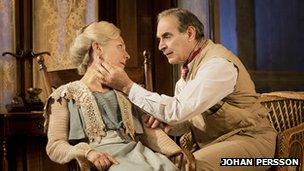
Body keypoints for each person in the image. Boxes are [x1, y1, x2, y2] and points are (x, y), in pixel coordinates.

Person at [98, 8, 277, 171]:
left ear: (190, 33)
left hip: (253, 143)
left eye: (167, 36)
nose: (161, 46)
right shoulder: (187, 73)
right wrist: (165, 123)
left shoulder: (218, 65)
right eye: (159, 39)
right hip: (217, 143)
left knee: (190, 167)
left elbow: (177, 110)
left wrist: (127, 87)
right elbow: (186, 120)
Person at [44, 21, 180, 171]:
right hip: (105, 161)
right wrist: (87, 152)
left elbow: (151, 133)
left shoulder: (126, 93)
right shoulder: (64, 95)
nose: (127, 55)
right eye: (120, 46)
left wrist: (178, 153)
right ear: (98, 49)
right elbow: (55, 146)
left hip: (139, 154)